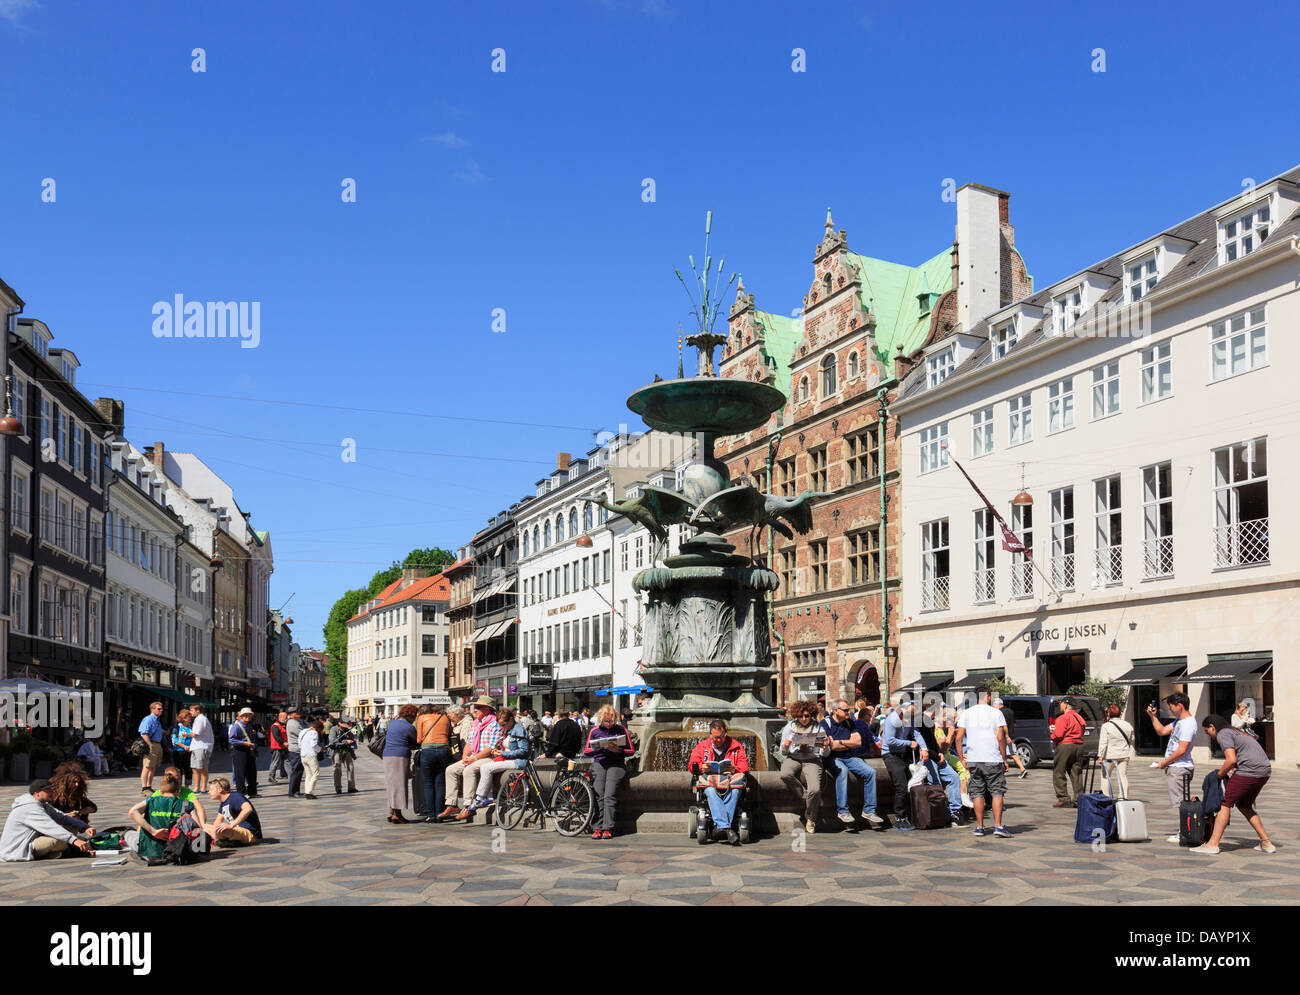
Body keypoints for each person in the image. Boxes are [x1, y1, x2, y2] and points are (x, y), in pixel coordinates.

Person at [1192, 714, 1276, 855]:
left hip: (1249, 770)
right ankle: (1266, 842)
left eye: (1207, 731)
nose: (1209, 735)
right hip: (1264, 771)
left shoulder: (1223, 734)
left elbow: (1231, 760)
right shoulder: (1236, 732)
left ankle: (1212, 844)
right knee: (1244, 805)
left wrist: (1219, 776)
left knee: (1225, 802)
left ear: (1212, 727)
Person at [955, 685, 1012, 838]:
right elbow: (1000, 737)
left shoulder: (967, 713)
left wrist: (961, 757)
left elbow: (958, 738)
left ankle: (980, 827)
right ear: (987, 696)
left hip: (974, 759)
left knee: (977, 792)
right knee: (997, 791)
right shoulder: (996, 713)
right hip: (992, 758)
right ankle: (998, 826)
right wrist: (1004, 758)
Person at [822, 698, 886, 829]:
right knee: (842, 772)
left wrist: (839, 743)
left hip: (849, 756)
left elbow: (858, 742)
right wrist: (846, 742)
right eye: (845, 710)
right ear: (835, 711)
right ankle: (843, 811)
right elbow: (829, 746)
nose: (848, 712)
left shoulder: (849, 722)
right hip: (832, 758)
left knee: (870, 772)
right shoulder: (825, 723)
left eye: (849, 710)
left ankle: (869, 810)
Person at [461, 707, 532, 819]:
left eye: (503, 725)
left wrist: (504, 754)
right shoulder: (509, 730)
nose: (502, 727)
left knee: (486, 768)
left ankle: (480, 798)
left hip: (518, 761)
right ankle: (487, 797)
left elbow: (524, 751)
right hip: (507, 758)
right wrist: (498, 751)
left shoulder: (519, 730)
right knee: (486, 767)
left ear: (511, 720)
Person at [437, 697, 501, 820]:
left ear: (487, 709)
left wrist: (474, 758)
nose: (475, 710)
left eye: (478, 708)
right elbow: (469, 743)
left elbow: (491, 748)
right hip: (475, 756)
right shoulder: (476, 723)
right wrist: (465, 755)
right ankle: (451, 804)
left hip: (490, 757)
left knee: (469, 770)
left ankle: (468, 805)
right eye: (475, 707)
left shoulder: (495, 723)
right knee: (450, 770)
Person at [688, 720, 749, 844]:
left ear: (725, 734)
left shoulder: (736, 746)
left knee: (736, 790)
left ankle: (720, 827)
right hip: (711, 782)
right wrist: (701, 767)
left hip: (729, 781)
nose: (718, 740)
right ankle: (726, 828)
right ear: (710, 735)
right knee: (710, 791)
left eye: (721, 737)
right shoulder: (702, 746)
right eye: (715, 738)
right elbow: (692, 765)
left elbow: (744, 766)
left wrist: (735, 768)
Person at [0, 779, 93, 861]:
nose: (52, 792)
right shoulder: (30, 808)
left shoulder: (43, 804)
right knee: (60, 841)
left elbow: (62, 817)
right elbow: (50, 827)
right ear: (37, 793)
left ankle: (54, 853)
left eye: (52, 789)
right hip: (20, 847)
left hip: (34, 839)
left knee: (72, 828)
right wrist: (74, 840)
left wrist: (84, 826)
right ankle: (63, 851)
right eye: (48, 790)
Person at [1147, 691, 1196, 842]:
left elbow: (1182, 749)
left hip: (1180, 767)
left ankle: (1184, 833)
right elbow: (1162, 731)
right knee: (1182, 801)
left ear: (1179, 705)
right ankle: (1184, 831)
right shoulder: (1179, 722)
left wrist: (1164, 763)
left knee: (1182, 802)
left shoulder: (1187, 724)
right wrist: (1153, 717)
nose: (1170, 710)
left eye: (1171, 707)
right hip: (1176, 766)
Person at [583, 705, 636, 839]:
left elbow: (631, 750)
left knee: (609, 795)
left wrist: (620, 750)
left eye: (611, 721)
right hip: (600, 763)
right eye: (606, 721)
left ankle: (607, 828)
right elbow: (587, 751)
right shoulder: (594, 731)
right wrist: (599, 748)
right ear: (601, 719)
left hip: (616, 764)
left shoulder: (621, 730)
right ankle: (596, 827)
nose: (608, 723)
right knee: (598, 795)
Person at [780, 700, 827, 832]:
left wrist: (825, 747)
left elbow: (824, 754)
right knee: (785, 774)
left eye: (807, 716)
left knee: (816, 790)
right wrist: (785, 746)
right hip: (794, 757)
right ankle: (806, 796)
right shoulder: (790, 727)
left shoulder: (818, 727)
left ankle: (811, 818)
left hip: (812, 758)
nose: (804, 719)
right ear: (796, 716)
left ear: (811, 715)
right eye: (801, 716)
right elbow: (782, 752)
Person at [881, 700, 927, 830]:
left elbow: (916, 733)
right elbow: (890, 740)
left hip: (902, 755)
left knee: (913, 783)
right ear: (904, 708)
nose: (913, 714)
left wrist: (924, 748)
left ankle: (910, 814)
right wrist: (908, 743)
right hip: (890, 755)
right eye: (912, 711)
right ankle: (899, 818)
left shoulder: (910, 718)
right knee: (901, 786)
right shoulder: (892, 719)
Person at [129, 773, 193, 861]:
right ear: (178, 791)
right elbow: (196, 827)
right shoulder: (186, 804)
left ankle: (125, 834)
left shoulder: (151, 801)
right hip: (177, 851)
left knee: (129, 834)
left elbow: (132, 812)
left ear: (161, 792)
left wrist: (153, 831)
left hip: (152, 852)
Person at [382, 704, 419, 823]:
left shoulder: (393, 722)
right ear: (411, 715)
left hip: (387, 755)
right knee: (399, 785)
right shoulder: (408, 727)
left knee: (392, 784)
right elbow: (416, 741)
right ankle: (397, 815)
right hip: (399, 755)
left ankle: (391, 811)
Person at [413, 706, 452, 820]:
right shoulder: (444, 718)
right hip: (443, 749)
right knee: (440, 782)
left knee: (428, 783)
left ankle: (430, 815)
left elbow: (419, 739)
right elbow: (449, 733)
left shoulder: (421, 718)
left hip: (427, 750)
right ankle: (439, 814)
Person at [1049, 698, 1087, 807]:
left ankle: (1063, 798)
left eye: (1061, 703)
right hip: (1079, 745)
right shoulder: (1080, 718)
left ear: (1065, 705)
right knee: (1076, 772)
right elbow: (1082, 730)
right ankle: (1079, 799)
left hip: (1065, 745)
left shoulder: (1063, 718)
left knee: (1059, 772)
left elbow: (1058, 734)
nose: (1059, 705)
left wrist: (1052, 736)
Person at [204, 777, 262, 847]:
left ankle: (221, 840)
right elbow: (217, 822)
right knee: (203, 826)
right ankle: (224, 841)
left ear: (220, 789)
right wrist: (214, 829)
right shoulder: (223, 803)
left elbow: (248, 809)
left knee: (221, 831)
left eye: (211, 790)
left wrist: (231, 825)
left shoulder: (235, 797)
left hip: (248, 832)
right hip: (234, 831)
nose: (209, 792)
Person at [1096, 704, 1134, 798]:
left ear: (1109, 713)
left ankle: (1106, 797)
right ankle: (1123, 797)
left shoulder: (1106, 726)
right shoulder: (1127, 725)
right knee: (1122, 777)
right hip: (1123, 754)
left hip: (1109, 755)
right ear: (1120, 713)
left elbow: (1103, 743)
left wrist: (1100, 755)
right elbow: (1132, 739)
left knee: (1105, 777)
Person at [993, 697, 1028, 779]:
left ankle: (1001, 771)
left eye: (994, 705)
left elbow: (1002, 726)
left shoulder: (999, 713)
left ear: (997, 705)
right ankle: (1022, 769)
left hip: (1003, 736)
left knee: (999, 753)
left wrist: (1006, 735)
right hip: (1011, 736)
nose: (994, 707)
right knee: (1013, 753)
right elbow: (1014, 723)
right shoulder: (1010, 711)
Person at [228, 707, 260, 798]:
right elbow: (231, 739)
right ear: (241, 717)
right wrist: (244, 743)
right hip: (239, 750)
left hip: (249, 750)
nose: (247, 717)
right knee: (240, 772)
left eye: (249, 715)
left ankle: (252, 792)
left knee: (252, 772)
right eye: (245, 715)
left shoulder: (249, 725)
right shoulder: (236, 726)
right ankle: (241, 793)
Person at [137, 700, 166, 795]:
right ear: (152, 709)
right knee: (147, 766)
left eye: (161, 709)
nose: (161, 710)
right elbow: (144, 733)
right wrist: (150, 744)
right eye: (159, 709)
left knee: (153, 767)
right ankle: (144, 787)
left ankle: (149, 786)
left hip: (157, 743)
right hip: (152, 743)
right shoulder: (148, 719)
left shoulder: (157, 720)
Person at [188, 702, 214, 793]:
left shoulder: (201, 719)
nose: (190, 712)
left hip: (202, 746)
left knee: (202, 768)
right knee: (194, 768)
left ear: (198, 711)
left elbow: (196, 734)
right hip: (196, 746)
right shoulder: (197, 719)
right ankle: (196, 787)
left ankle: (203, 788)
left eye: (191, 710)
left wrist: (185, 734)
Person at [330, 718, 360, 795]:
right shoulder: (334, 729)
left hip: (347, 751)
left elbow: (351, 740)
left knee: (351, 768)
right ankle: (338, 788)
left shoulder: (348, 730)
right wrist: (346, 741)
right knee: (337, 769)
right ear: (339, 723)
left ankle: (351, 787)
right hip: (337, 751)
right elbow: (332, 741)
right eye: (345, 723)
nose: (347, 725)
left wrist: (353, 753)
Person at [299, 720, 323, 800]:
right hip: (311, 755)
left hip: (303, 755)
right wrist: (320, 749)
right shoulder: (314, 733)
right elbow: (314, 745)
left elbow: (299, 744)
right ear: (317, 728)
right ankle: (309, 792)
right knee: (316, 773)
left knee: (308, 774)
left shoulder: (302, 731)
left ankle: (307, 791)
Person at [170, 709, 193, 787]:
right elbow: (174, 739)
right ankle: (178, 786)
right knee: (178, 769)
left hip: (190, 751)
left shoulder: (191, 727)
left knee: (189, 769)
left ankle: (187, 787)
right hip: (179, 751)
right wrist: (184, 746)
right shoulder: (177, 727)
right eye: (187, 716)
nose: (189, 718)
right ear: (183, 718)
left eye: (190, 716)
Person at [286, 709, 304, 798]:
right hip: (295, 750)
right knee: (296, 771)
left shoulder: (296, 722)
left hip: (298, 749)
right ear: (292, 715)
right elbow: (302, 733)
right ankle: (292, 792)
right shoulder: (292, 723)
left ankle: (296, 791)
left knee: (299, 771)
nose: (299, 714)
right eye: (296, 713)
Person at [268, 711, 289, 784]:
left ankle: (291, 776)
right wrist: (283, 742)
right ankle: (271, 777)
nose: (287, 718)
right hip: (277, 747)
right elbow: (275, 736)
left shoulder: (283, 725)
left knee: (287, 762)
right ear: (280, 717)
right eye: (286, 717)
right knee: (275, 762)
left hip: (284, 747)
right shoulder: (275, 725)